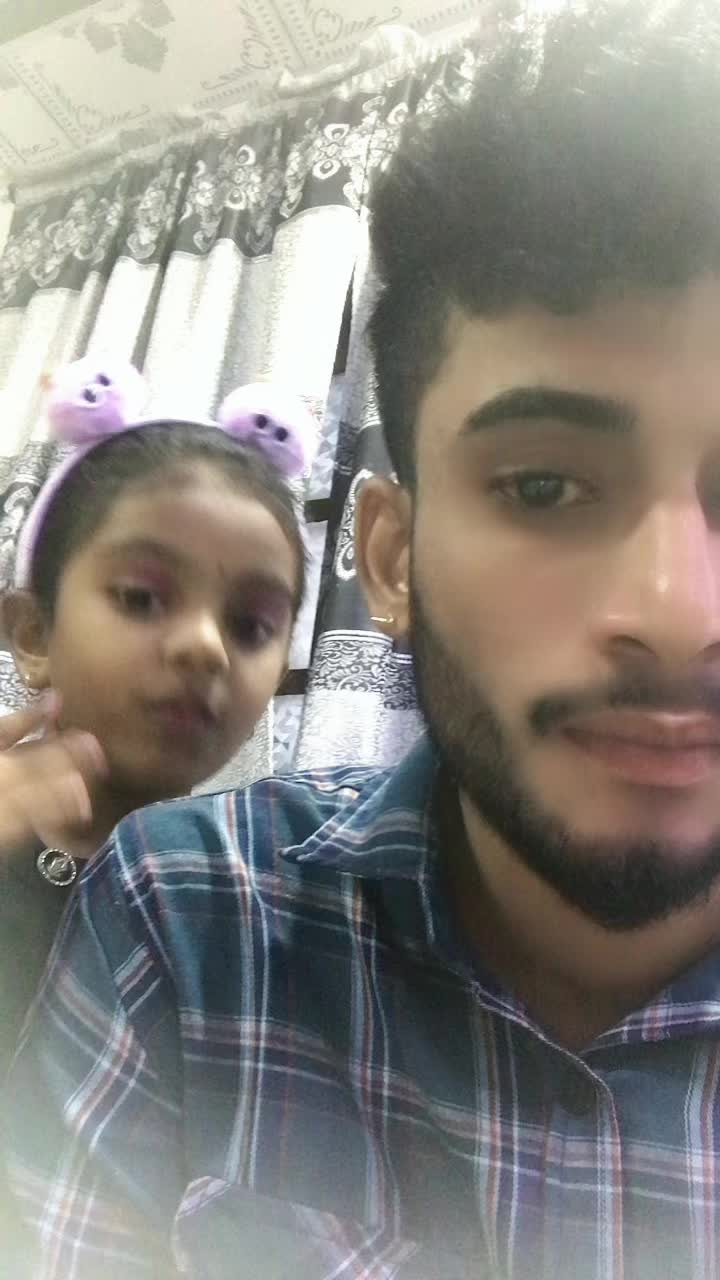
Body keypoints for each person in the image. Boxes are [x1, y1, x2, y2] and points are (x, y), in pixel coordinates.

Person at [7, 3, 720, 1276]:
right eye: (546, 484)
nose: (680, 611)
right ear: (388, 559)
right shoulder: (188, 915)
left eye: (250, 617)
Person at [0, 357, 311, 1081]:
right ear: (35, 636)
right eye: (141, 598)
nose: (205, 647)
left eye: (251, 626)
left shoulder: (237, 920)